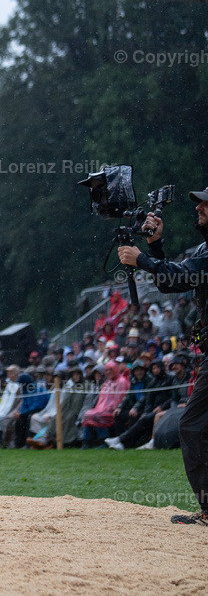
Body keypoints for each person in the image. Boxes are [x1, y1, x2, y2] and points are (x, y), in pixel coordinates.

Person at [119, 188, 208, 524]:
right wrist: (155, 246)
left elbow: (184, 275)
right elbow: (172, 283)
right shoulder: (204, 249)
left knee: (193, 426)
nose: (198, 208)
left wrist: (142, 259)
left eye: (205, 204)